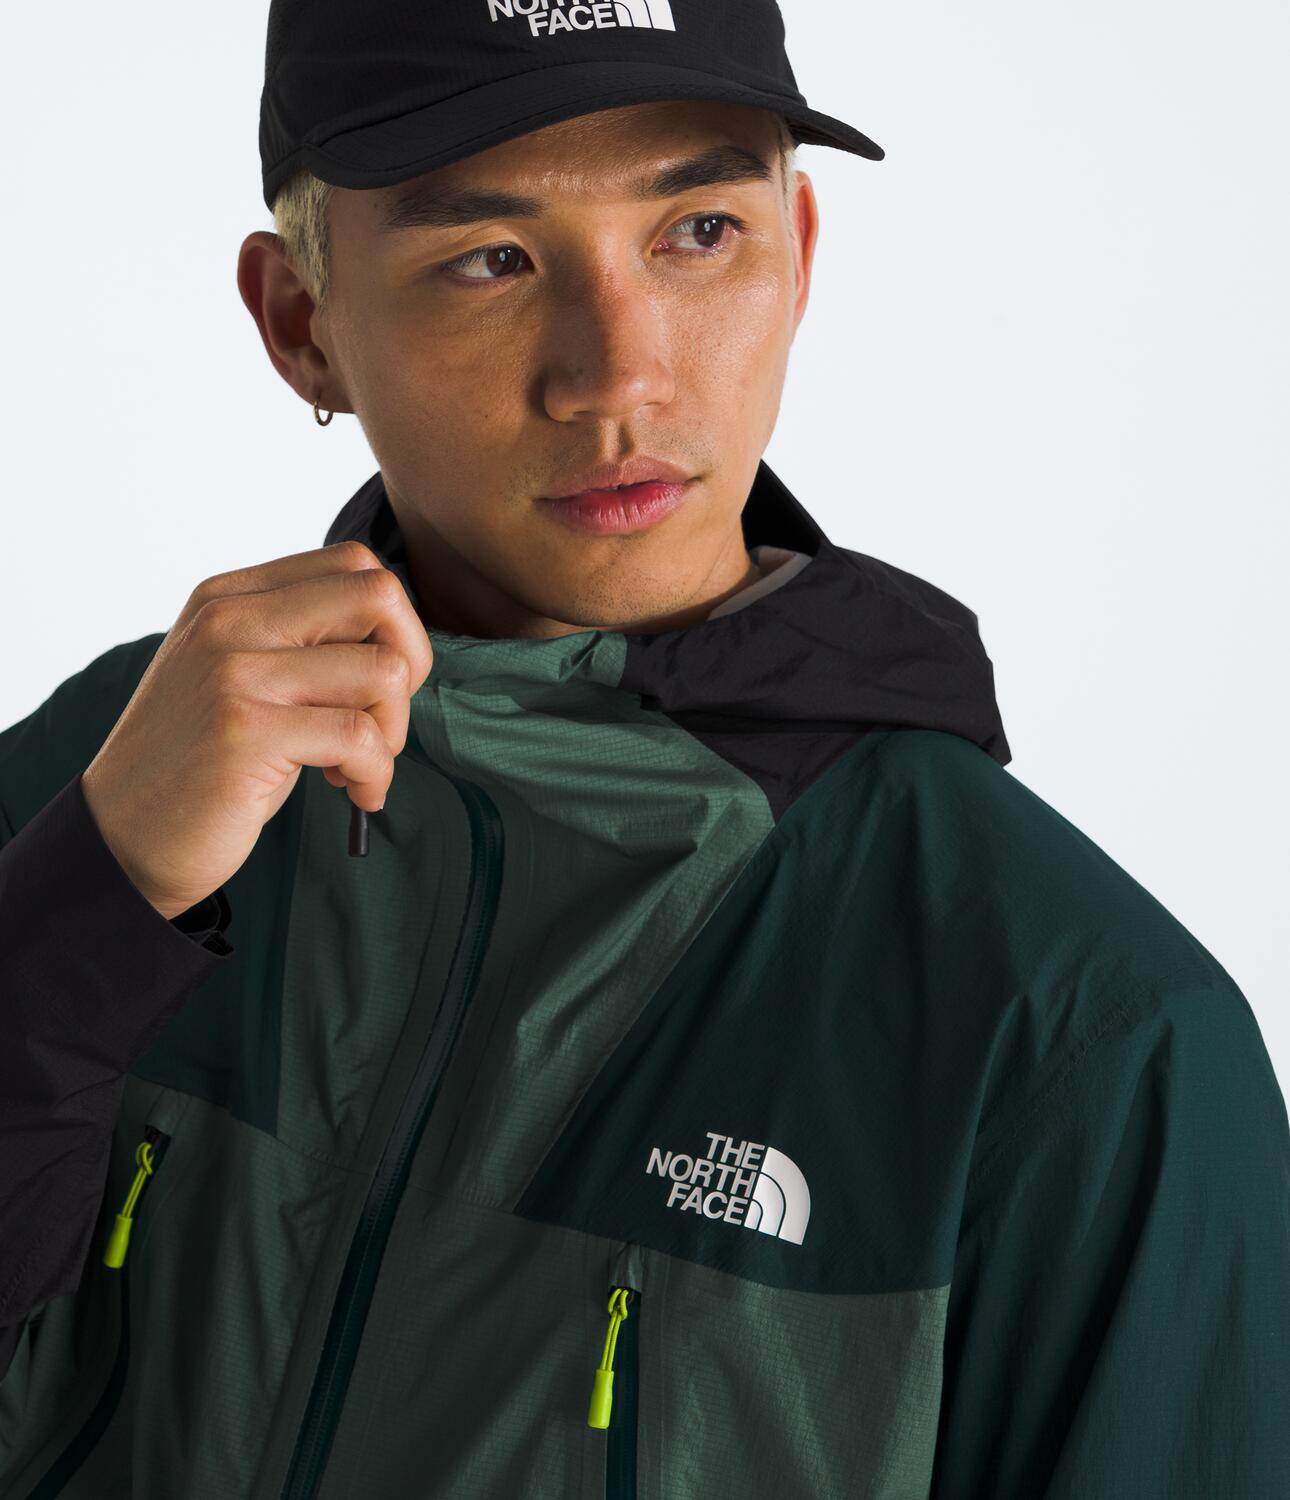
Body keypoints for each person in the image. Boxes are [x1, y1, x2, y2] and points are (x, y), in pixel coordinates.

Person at [1, 1, 1287, 1496]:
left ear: (798, 256)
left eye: (698, 234)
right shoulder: (96, 789)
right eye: (491, 258)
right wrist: (85, 918)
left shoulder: (1077, 1030)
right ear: (303, 324)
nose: (618, 377)